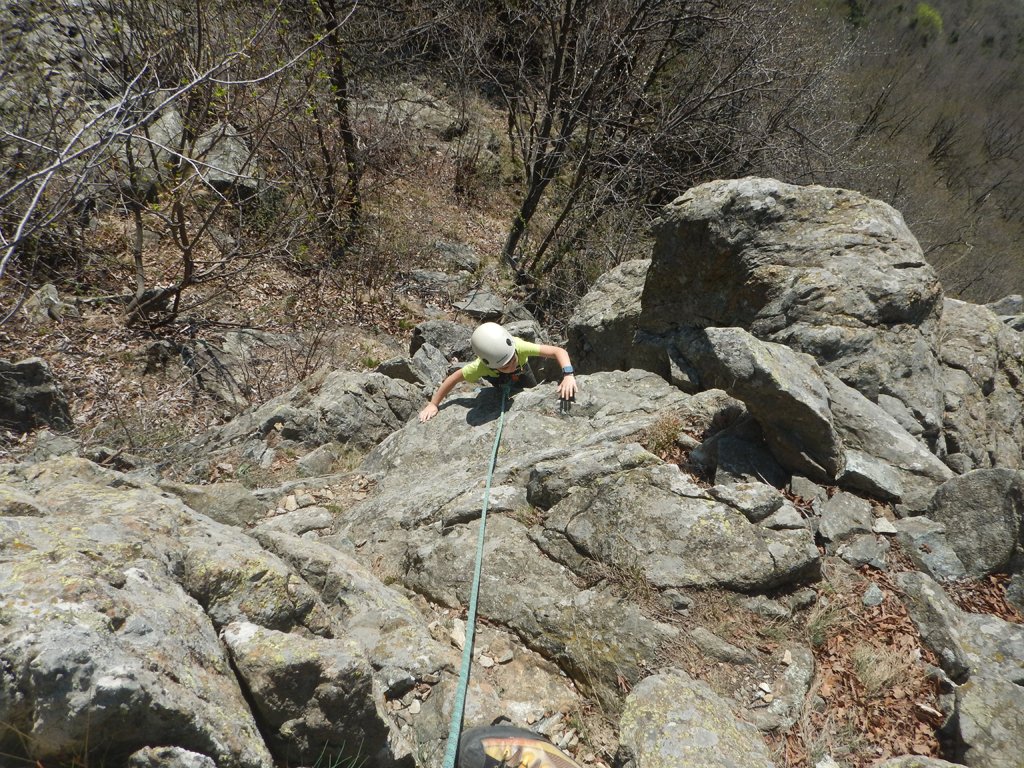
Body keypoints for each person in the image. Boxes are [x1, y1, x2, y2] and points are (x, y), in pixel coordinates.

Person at [418, 322, 578, 422]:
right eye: (505, 366)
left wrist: (568, 375)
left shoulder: (520, 347)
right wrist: (433, 404)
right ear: (490, 365)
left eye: (512, 360)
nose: (511, 366)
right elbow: (453, 378)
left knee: (531, 392)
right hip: (498, 381)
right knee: (504, 395)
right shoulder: (480, 367)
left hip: (523, 372)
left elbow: (558, 351)